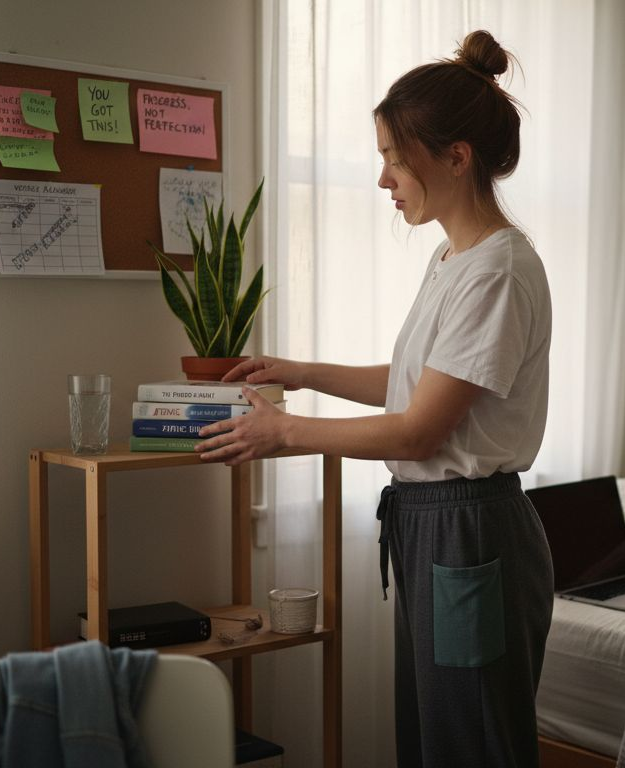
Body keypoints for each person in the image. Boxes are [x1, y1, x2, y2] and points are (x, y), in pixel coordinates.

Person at [197, 30, 553, 768]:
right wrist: (300, 370)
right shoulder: (453, 259)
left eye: (395, 158)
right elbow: (413, 384)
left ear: (456, 157)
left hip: (469, 535)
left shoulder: (498, 271)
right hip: (436, 530)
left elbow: (420, 433)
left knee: (469, 745)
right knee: (430, 739)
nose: (384, 179)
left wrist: (288, 433)